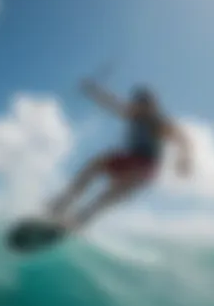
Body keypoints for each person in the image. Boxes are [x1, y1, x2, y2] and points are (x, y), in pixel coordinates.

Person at [49, 79, 192, 231]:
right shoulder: (133, 114)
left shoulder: (158, 122)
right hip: (130, 159)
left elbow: (182, 138)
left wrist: (184, 160)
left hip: (146, 166)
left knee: (111, 193)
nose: (139, 107)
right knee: (97, 163)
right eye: (138, 103)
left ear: (152, 105)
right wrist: (93, 90)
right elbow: (111, 102)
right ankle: (62, 204)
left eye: (145, 104)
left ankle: (80, 220)